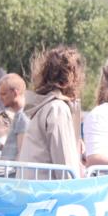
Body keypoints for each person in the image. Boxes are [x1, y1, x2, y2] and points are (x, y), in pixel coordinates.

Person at [19, 46, 86, 174]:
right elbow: (65, 165)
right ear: (73, 75)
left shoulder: (43, 106)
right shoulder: (57, 108)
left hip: (34, 188)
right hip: (48, 191)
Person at [0, 73, 29, 161]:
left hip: (13, 172)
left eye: (3, 94)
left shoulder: (22, 115)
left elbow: (21, 152)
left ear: (15, 93)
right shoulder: (21, 114)